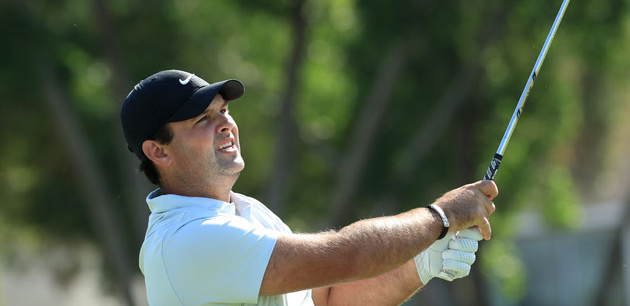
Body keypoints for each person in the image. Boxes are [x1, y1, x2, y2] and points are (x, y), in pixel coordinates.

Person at [121, 69, 498, 306]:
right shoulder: (188, 240)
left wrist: (420, 261)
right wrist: (439, 218)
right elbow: (348, 256)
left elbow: (329, 299)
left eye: (224, 111)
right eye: (203, 118)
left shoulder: (246, 211)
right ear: (158, 151)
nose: (225, 124)